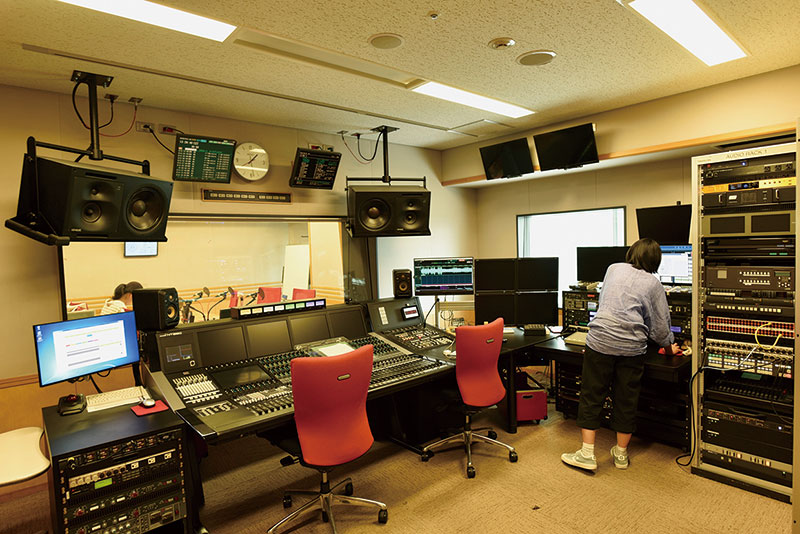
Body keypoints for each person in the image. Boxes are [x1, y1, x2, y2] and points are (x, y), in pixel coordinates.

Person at [561, 238, 679, 471]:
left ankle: (586, 454)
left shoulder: (613, 269)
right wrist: (668, 347)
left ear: (632, 253)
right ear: (656, 260)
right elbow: (660, 325)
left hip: (600, 341)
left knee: (592, 396)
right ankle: (621, 455)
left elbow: (606, 304)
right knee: (626, 399)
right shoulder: (654, 284)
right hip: (632, 348)